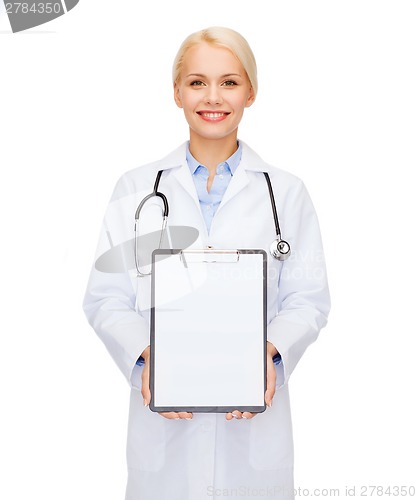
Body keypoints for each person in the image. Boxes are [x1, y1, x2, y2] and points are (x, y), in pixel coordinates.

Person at [83, 26, 331, 500]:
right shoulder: (136, 189)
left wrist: (269, 352)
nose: (212, 97)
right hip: (165, 429)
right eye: (197, 82)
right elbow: (105, 298)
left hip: (254, 429)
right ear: (176, 92)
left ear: (251, 92)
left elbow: (308, 300)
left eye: (229, 82)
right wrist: (151, 358)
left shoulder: (286, 193)